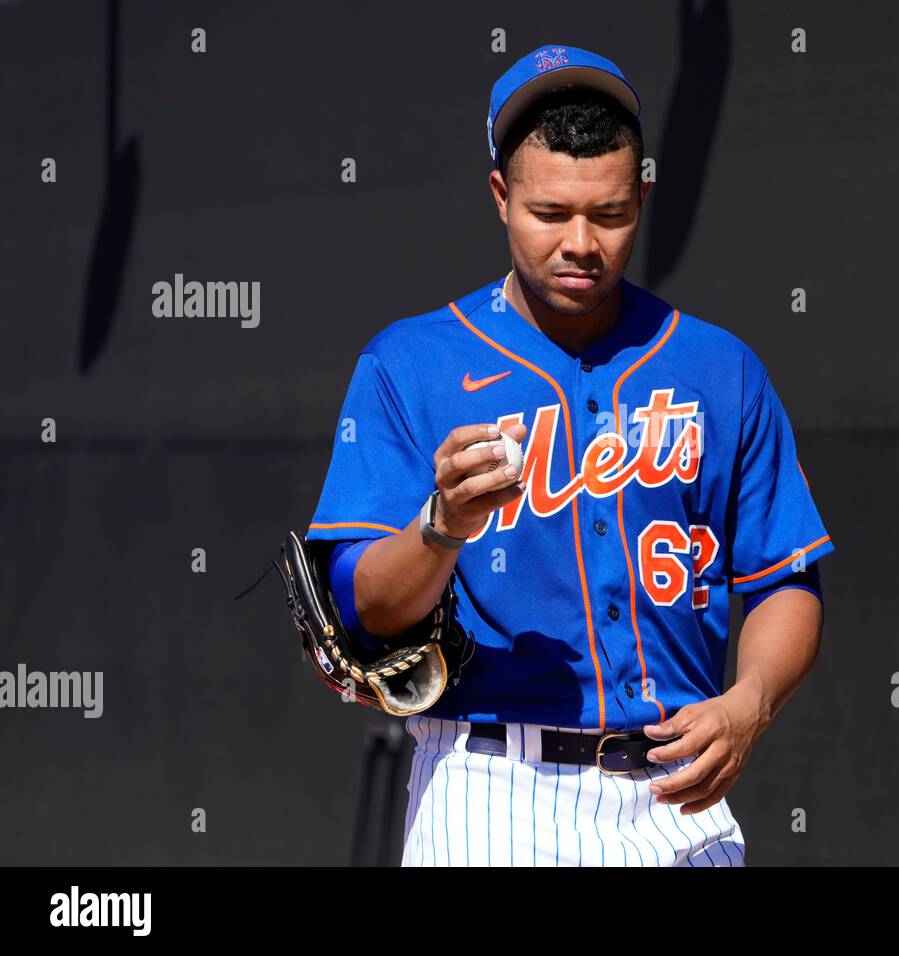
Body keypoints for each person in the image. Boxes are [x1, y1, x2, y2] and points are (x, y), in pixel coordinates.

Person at [304, 44, 834, 866]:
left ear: (644, 195)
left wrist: (751, 702)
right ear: (500, 197)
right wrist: (440, 529)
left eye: (611, 213)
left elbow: (786, 579)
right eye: (551, 213)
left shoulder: (717, 368)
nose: (581, 242)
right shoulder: (410, 365)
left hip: (677, 796)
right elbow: (363, 608)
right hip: (488, 790)